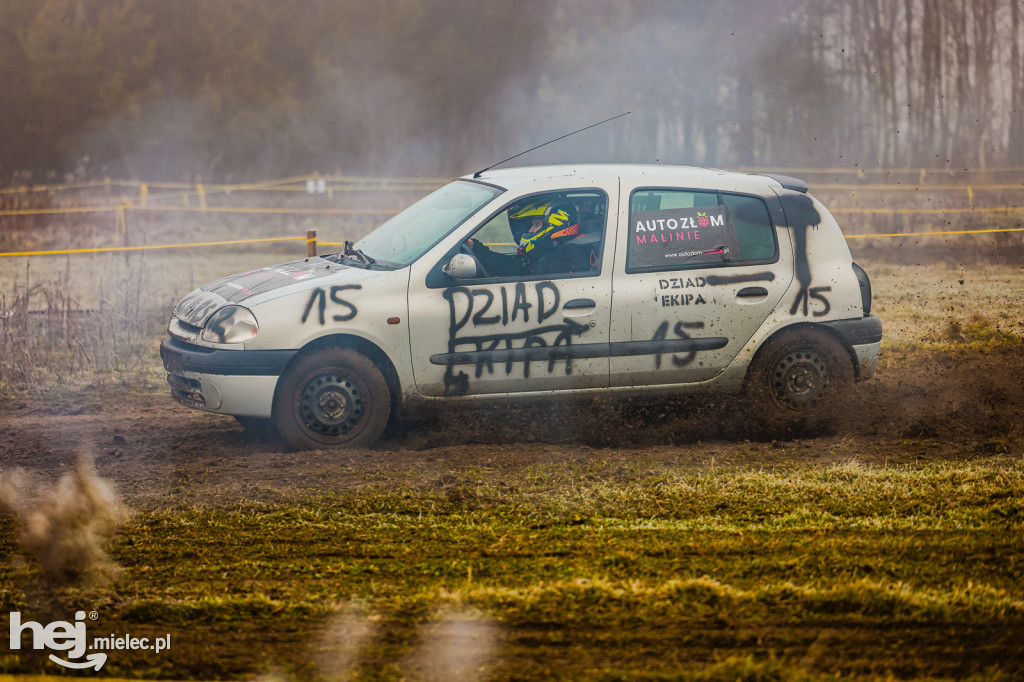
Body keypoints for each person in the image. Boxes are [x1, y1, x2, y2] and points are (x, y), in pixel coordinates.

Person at [465, 200, 599, 277]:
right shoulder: (552, 251)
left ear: (556, 224)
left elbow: (517, 269)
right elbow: (517, 265)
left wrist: (478, 249)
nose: (530, 230)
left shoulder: (569, 256)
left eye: (536, 225)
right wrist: (474, 247)